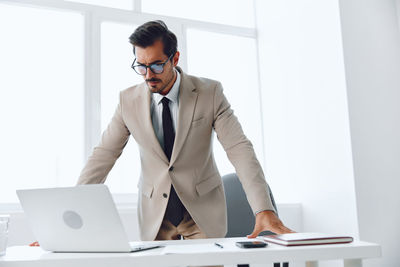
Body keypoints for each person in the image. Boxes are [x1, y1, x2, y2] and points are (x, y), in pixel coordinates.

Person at [30, 20, 293, 246]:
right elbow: (103, 156)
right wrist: (66, 218)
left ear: (175, 58)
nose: (147, 75)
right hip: (156, 214)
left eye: (156, 66)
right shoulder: (128, 101)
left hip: (201, 213)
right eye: (140, 66)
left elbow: (239, 149)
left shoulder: (210, 93)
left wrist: (263, 208)